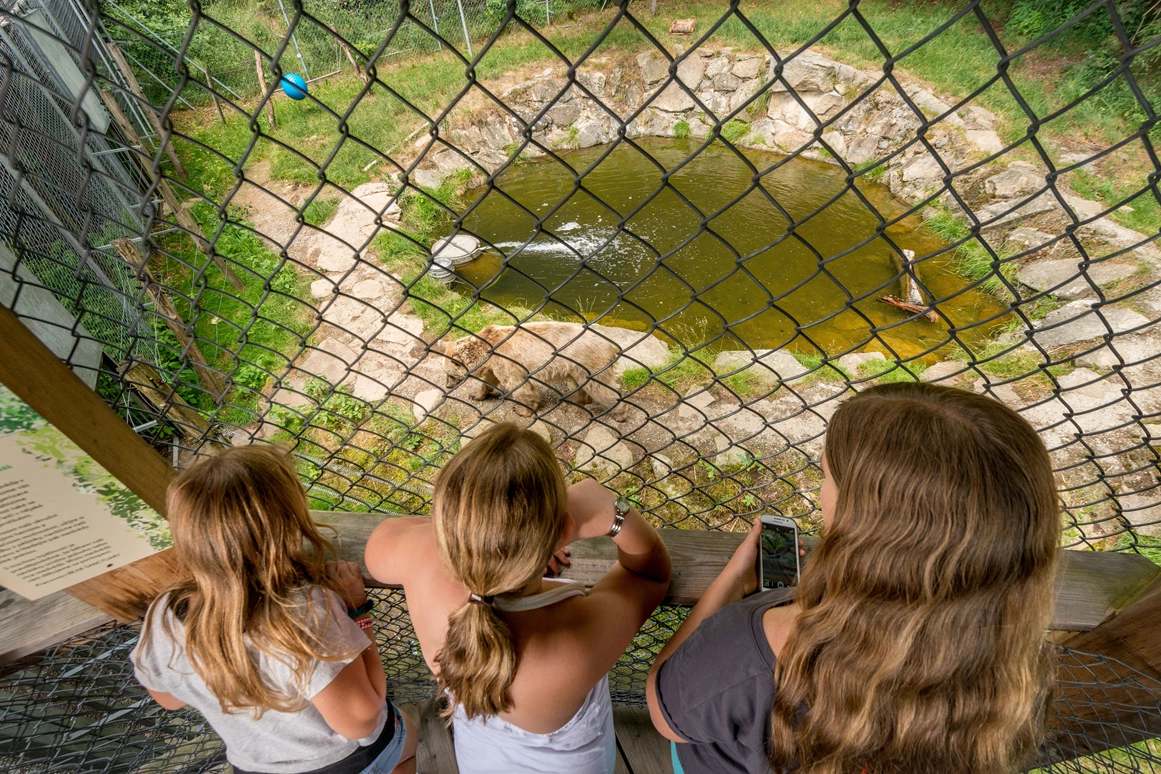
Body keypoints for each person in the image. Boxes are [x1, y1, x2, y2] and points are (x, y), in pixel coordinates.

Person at [647, 383, 1060, 774]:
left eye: (828, 476)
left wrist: (731, 585)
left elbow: (665, 713)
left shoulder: (751, 645)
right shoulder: (1014, 668)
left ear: (867, 519)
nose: (821, 488)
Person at [365, 422, 671, 774]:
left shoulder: (420, 559)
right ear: (564, 532)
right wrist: (614, 514)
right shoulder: (574, 641)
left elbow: (380, 542)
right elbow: (649, 573)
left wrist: (487, 541)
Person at [131, 445, 418, 774]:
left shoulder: (165, 613)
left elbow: (168, 698)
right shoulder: (304, 611)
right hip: (340, 762)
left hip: (254, 766)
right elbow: (361, 720)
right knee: (411, 740)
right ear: (284, 525)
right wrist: (357, 612)